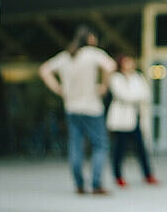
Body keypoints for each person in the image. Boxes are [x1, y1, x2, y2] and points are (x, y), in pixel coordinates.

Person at [39, 25, 116, 195]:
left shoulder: (66, 56)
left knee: (76, 146)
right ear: (90, 38)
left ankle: (79, 184)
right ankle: (96, 184)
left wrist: (59, 89)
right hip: (92, 108)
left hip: (72, 108)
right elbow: (110, 66)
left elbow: (44, 70)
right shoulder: (93, 53)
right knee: (100, 145)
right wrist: (103, 86)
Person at [106, 55, 158, 187]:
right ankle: (118, 176)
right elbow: (123, 95)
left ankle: (148, 174)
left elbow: (147, 94)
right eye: (127, 61)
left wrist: (135, 96)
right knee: (119, 149)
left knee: (141, 148)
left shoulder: (137, 77)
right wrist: (137, 95)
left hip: (135, 119)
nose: (130, 64)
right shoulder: (116, 78)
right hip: (121, 121)